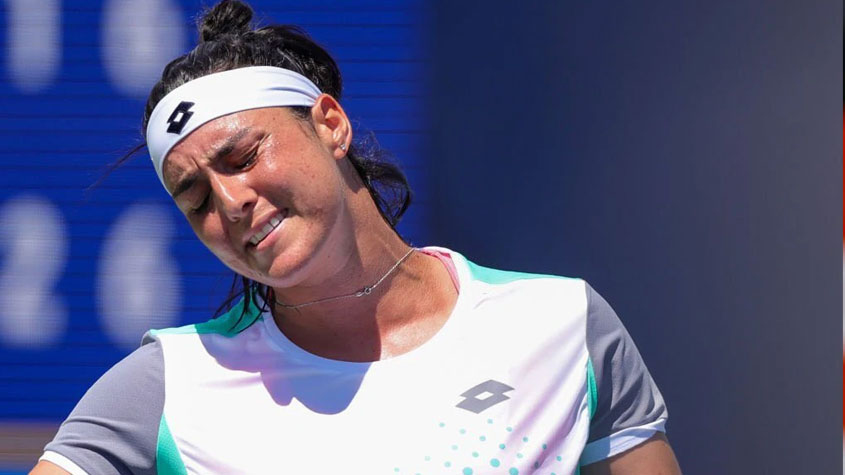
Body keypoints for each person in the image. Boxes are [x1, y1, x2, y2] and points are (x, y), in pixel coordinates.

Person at [32, 1, 681, 473]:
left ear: (331, 125)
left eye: (244, 156)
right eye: (196, 198)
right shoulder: (170, 383)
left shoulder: (561, 325)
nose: (230, 202)